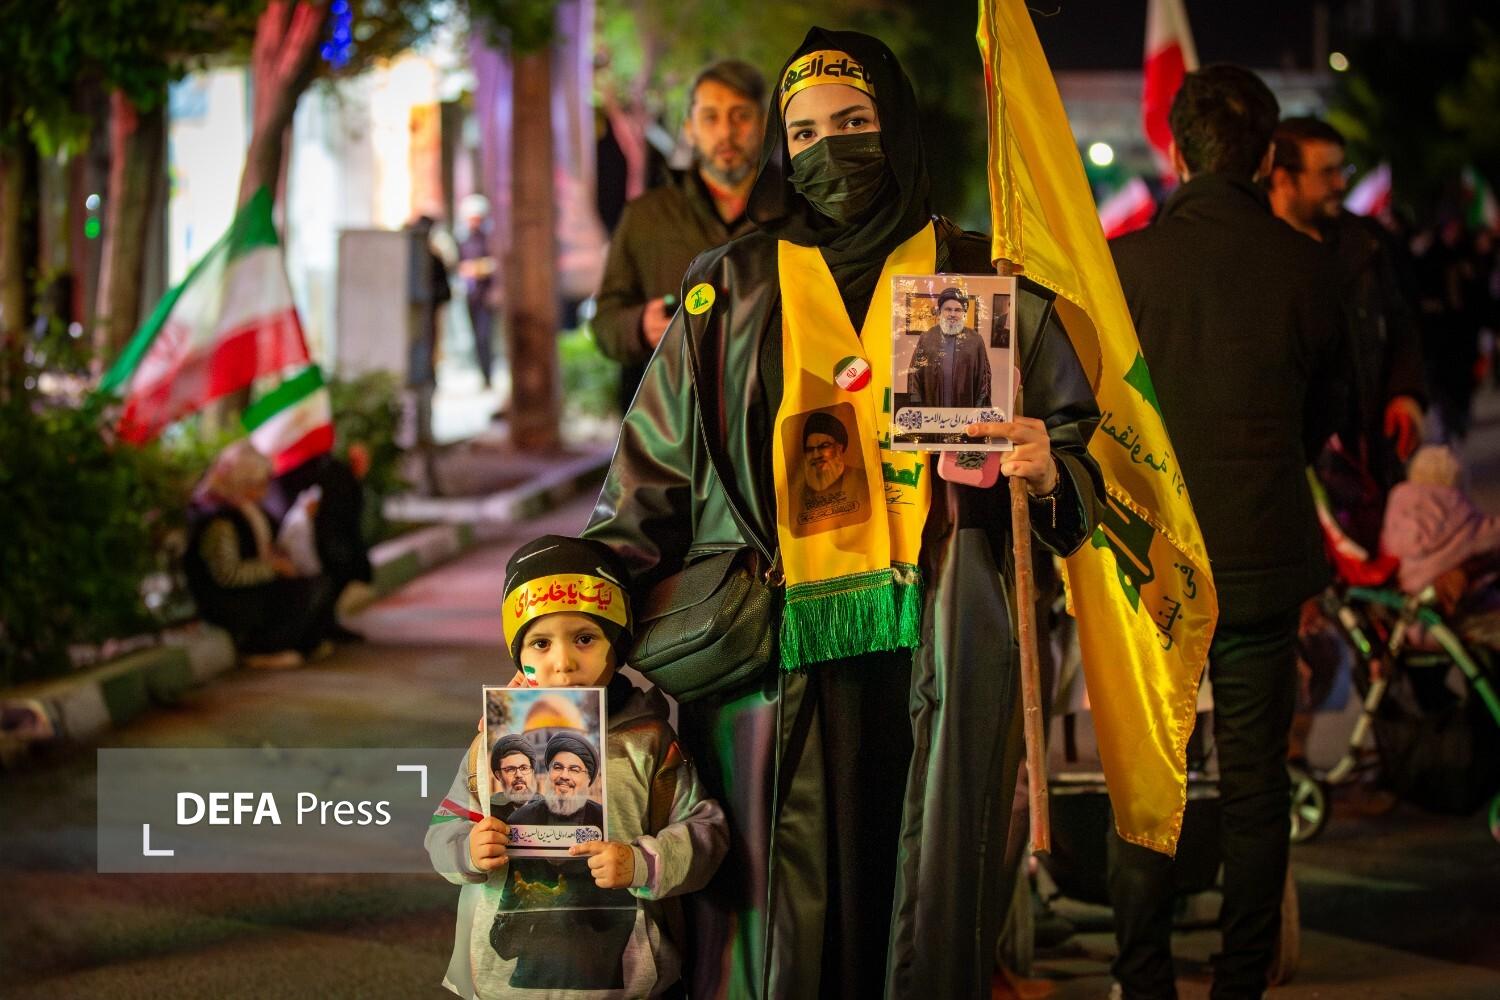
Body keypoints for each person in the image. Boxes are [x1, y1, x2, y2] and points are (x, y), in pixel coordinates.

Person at [584, 28, 1104, 999]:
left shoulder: (974, 279)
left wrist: (1049, 469)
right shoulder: (732, 287)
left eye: (855, 122)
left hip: (938, 631)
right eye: (806, 131)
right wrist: (575, 606)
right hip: (770, 646)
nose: (830, 149)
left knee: (923, 895)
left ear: (895, 125)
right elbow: (651, 478)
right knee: (778, 912)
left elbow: (1080, 464)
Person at [1107, 66, 1350, 999]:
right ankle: (1240, 980)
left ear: (1176, 151)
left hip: (1154, 564)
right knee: (1255, 787)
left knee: (1150, 786)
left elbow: (1100, 418)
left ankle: (1144, 978)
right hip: (1262, 553)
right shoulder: (1308, 267)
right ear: (1265, 158)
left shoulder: (1127, 268)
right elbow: (1327, 414)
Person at [426, 534, 727, 999]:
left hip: (626, 980)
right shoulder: (493, 744)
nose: (563, 663)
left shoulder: (649, 743)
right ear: (520, 655)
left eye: (585, 639)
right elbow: (443, 826)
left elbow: (707, 832)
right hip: (508, 984)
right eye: (540, 643)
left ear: (618, 643)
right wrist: (467, 849)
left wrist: (644, 862)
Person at [1268, 116, 1427, 548]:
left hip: (1366, 451)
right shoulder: (1253, 249)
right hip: (1290, 466)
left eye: (1344, 169)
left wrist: (1407, 394)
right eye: (1327, 172)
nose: (1341, 183)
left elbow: (1401, 326)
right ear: (1283, 178)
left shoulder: (1366, 242)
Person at [593, 60, 766, 410]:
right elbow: (605, 322)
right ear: (690, 128)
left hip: (769, 418)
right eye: (710, 117)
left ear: (764, 124)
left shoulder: (795, 215)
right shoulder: (646, 216)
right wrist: (639, 326)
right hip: (673, 419)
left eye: (741, 116)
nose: (726, 133)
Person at [183, 441, 339, 669]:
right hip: (231, 600)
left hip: (255, 589)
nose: (266, 489)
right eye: (261, 483)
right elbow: (227, 574)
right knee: (302, 592)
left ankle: (301, 645)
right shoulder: (219, 520)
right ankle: (260, 649)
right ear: (242, 482)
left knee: (317, 585)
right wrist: (273, 568)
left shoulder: (247, 508)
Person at [264, 448, 373, 637]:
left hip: (327, 539)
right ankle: (318, 631)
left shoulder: (325, 467)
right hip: (318, 542)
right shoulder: (298, 469)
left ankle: (325, 626)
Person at [907, 286, 992, 408]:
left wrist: (980, 410)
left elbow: (984, 380)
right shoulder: (926, 338)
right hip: (931, 410)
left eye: (957, 310)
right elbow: (914, 374)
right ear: (940, 312)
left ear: (963, 313)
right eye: (948, 309)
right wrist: (916, 406)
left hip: (965, 412)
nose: (952, 314)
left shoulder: (976, 340)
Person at [507, 732, 606, 830]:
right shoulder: (520, 820)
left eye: (574, 770)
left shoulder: (603, 819)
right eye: (558, 767)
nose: (564, 776)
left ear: (588, 779)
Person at [457, 194, 499, 388]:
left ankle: (489, 374)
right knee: (476, 337)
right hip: (471, 295)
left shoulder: (489, 240)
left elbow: (496, 264)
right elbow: (459, 265)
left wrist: (479, 268)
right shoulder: (464, 240)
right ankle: (483, 375)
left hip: (486, 295)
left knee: (485, 336)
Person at [487, 734, 539, 822]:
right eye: (510, 769)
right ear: (499, 775)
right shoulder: (489, 812)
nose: (518, 775)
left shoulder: (548, 810)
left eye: (524, 768)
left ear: (532, 771)